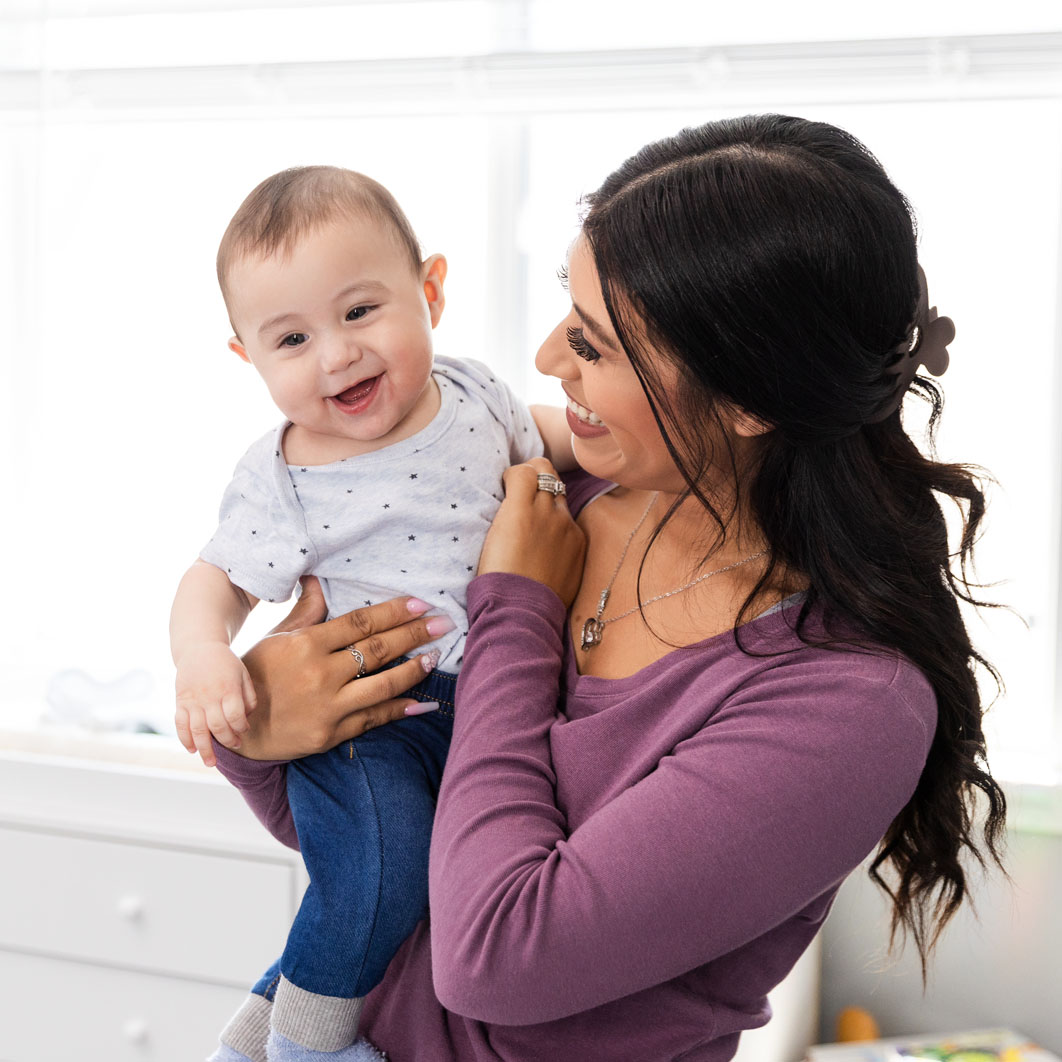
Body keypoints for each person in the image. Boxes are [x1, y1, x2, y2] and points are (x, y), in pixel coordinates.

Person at [210, 116, 1007, 1062]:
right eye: (567, 313)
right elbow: (386, 852)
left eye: (595, 345)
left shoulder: (843, 702)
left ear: (751, 400)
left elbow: (491, 956)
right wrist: (263, 727)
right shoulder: (544, 500)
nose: (547, 359)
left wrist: (515, 607)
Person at [169, 165, 572, 1062]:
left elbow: (559, 440)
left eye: (360, 313)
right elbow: (216, 580)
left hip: (483, 707)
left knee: (410, 883)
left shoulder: (474, 394)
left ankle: (252, 1032)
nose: (337, 354)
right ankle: (309, 1049)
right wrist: (205, 658)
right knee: (379, 872)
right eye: (292, 339)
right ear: (249, 357)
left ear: (430, 291)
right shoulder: (286, 472)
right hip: (367, 717)